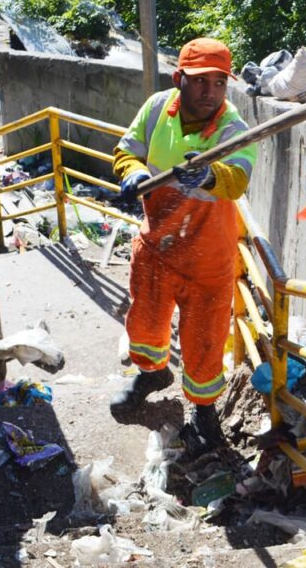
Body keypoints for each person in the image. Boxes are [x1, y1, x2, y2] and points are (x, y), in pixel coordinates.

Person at [110, 37, 257, 455]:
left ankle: (204, 409)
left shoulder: (234, 130)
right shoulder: (157, 108)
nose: (210, 92)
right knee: (145, 323)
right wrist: (134, 173)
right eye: (200, 82)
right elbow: (127, 150)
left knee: (205, 340)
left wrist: (209, 177)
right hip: (158, 245)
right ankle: (151, 373)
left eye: (219, 82)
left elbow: (237, 178)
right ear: (180, 80)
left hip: (207, 256)